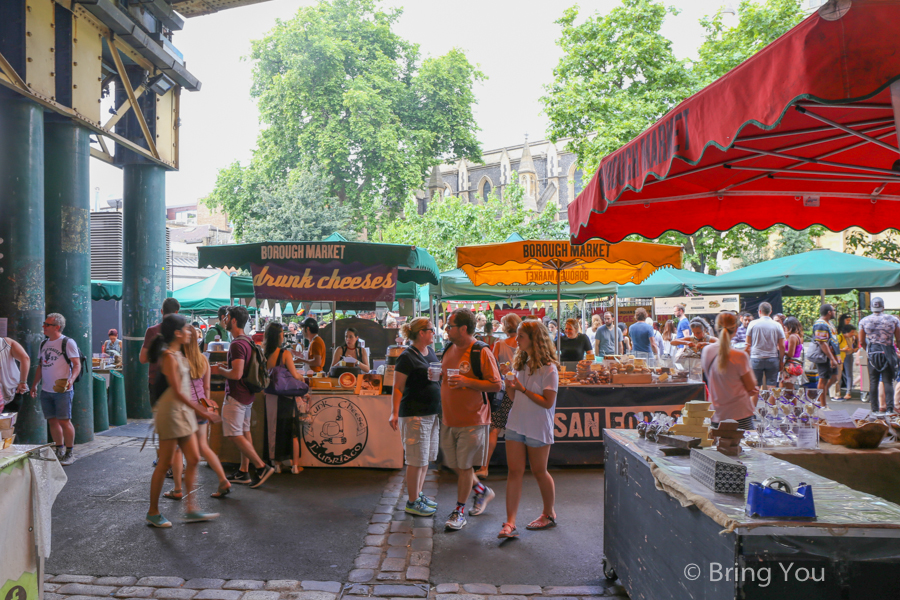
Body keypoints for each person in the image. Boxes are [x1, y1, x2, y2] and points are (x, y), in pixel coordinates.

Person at [146, 314, 220, 527]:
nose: (192, 333)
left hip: (182, 413)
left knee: (194, 458)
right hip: (172, 414)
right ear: (177, 334)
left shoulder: (177, 354)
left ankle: (191, 508)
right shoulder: (169, 356)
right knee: (165, 463)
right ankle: (153, 511)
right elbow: (178, 392)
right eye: (188, 330)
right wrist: (204, 412)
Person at [440, 308, 502, 530]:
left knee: (464, 465)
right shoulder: (449, 348)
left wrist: (467, 382)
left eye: (450, 325)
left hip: (473, 419)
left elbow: (497, 384)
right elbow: (446, 376)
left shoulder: (480, 351)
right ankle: (482, 491)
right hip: (449, 419)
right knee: (456, 465)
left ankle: (459, 511)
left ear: (463, 328)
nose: (446, 328)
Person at [499, 319, 560, 538]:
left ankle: (549, 513)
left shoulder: (549, 369)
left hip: (537, 426)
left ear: (534, 339)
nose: (516, 340)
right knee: (514, 472)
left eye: (520, 336)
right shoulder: (521, 363)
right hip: (516, 423)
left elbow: (547, 402)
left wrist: (522, 388)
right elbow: (515, 397)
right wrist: (510, 386)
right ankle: (509, 523)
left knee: (539, 471)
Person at [211, 306, 275, 488]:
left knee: (234, 434)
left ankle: (261, 467)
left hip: (237, 396)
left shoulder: (237, 344)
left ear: (232, 320)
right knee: (244, 432)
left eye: (226, 317)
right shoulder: (247, 341)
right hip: (247, 396)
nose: (223, 320)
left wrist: (220, 369)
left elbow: (236, 374)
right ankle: (244, 471)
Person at [166, 326, 233, 500]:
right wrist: (206, 406)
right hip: (201, 408)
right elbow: (206, 387)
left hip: (183, 410)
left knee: (178, 449)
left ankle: (178, 489)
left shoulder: (177, 360)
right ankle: (223, 479)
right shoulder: (204, 360)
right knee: (204, 446)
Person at [389, 317, 441, 517]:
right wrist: (394, 412)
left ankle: (417, 495)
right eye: (431, 329)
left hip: (431, 413)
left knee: (426, 458)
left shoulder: (429, 353)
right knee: (415, 459)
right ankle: (412, 501)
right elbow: (398, 387)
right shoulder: (407, 356)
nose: (433, 333)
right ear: (421, 333)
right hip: (414, 414)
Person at [30, 313, 80, 465]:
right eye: (44, 324)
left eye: (47, 324)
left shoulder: (67, 342)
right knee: (52, 421)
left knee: (64, 420)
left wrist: (71, 379)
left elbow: (77, 364)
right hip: (46, 389)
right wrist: (34, 384)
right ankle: (60, 449)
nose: (43, 326)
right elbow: (41, 365)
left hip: (62, 389)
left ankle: (70, 452)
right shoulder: (43, 344)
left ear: (57, 327)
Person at [479, 313, 522, 478]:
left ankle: (484, 467)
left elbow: (492, 366)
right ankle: (522, 466)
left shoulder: (499, 344)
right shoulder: (525, 344)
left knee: (494, 429)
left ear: (505, 326)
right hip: (521, 389)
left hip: (503, 390)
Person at [701, 312, 758, 431]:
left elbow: (710, 378)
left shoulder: (706, 351)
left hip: (717, 415)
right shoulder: (740, 356)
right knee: (745, 448)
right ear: (736, 329)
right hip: (740, 415)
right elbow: (751, 386)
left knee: (718, 448)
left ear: (716, 328)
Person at [264, 322, 308, 474]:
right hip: (286, 397)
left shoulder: (264, 354)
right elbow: (295, 375)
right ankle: (295, 466)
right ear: (279, 336)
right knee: (292, 430)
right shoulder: (285, 354)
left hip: (270, 396)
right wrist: (302, 379)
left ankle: (276, 464)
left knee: (274, 430)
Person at [858, 297, 900, 414]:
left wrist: (868, 350)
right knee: (888, 381)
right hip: (888, 352)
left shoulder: (864, 321)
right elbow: (898, 339)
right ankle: (890, 409)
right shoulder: (893, 320)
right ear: (883, 307)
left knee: (873, 381)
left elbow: (861, 341)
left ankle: (874, 409)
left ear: (871, 307)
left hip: (872, 352)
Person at [141, 298, 182, 407]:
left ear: (161, 311)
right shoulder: (181, 333)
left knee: (160, 417)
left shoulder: (152, 331)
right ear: (177, 312)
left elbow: (143, 358)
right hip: (177, 381)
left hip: (156, 381)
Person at [744, 302, 785, 395]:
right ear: (770, 312)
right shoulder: (777, 325)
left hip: (755, 359)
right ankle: (772, 409)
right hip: (772, 358)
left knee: (755, 387)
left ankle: (753, 409)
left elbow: (747, 344)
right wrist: (781, 361)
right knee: (772, 387)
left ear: (759, 311)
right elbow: (782, 346)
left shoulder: (752, 324)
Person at [812, 304, 842, 407]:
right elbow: (822, 343)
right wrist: (831, 358)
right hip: (825, 357)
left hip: (832, 356)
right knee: (823, 379)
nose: (834, 312)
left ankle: (819, 395)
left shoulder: (829, 323)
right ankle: (822, 404)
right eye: (833, 310)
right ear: (829, 312)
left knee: (834, 378)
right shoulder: (820, 324)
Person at [0, 336, 30, 414]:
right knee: (7, 424)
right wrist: (23, 382)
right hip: (13, 392)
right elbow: (25, 358)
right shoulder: (7, 342)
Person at [781, 317, 806, 390]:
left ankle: (791, 401)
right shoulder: (798, 336)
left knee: (789, 389)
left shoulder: (792, 337)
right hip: (795, 363)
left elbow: (790, 354)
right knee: (789, 388)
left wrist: (781, 350)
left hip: (791, 365)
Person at [838, 322, 858, 400]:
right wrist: (843, 350)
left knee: (848, 374)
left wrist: (853, 349)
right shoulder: (840, 337)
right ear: (846, 332)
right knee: (839, 375)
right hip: (841, 356)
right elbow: (834, 348)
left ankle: (848, 392)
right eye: (852, 332)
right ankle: (837, 392)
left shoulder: (851, 337)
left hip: (848, 355)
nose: (853, 334)